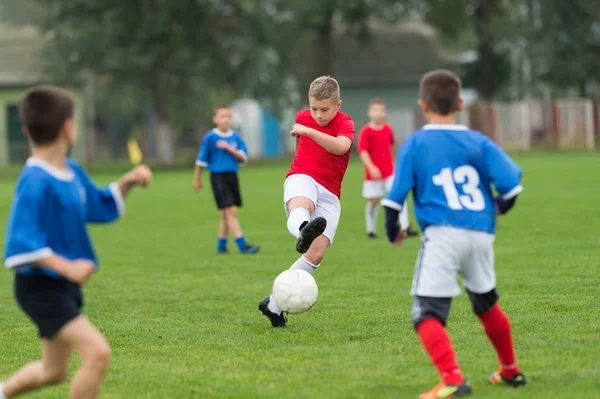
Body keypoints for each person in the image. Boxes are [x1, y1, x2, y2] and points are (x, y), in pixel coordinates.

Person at [382, 70, 527, 398]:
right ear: (460, 103)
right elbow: (512, 187)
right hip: (480, 233)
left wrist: (393, 232)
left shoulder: (416, 143)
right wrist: (497, 209)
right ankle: (510, 371)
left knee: (425, 313)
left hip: (443, 235)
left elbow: (393, 200)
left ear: (423, 105)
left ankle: (452, 379)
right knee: (486, 304)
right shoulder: (479, 140)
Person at [1, 85, 152, 399]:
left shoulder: (71, 172)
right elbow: (21, 242)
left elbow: (97, 203)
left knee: (53, 371)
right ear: (68, 127)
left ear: (28, 128)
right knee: (98, 354)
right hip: (40, 288)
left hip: (62, 287)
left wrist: (127, 181)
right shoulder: (34, 180)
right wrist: (67, 267)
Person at [258, 76, 354, 327]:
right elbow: (300, 145)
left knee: (317, 254)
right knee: (303, 205)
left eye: (325, 109)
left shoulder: (345, 123)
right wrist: (306, 130)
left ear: (338, 105)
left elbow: (341, 147)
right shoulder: (302, 118)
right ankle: (303, 230)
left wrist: (309, 130)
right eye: (314, 109)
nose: (319, 115)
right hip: (302, 176)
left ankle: (274, 305)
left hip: (331, 192)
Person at [194, 105, 260, 255]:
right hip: (218, 177)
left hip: (232, 177)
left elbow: (243, 157)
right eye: (222, 116)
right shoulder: (210, 137)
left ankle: (221, 247)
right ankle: (243, 246)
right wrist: (197, 180)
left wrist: (229, 148)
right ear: (215, 119)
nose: (225, 120)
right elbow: (201, 161)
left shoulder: (235, 137)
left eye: (228, 116)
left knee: (225, 214)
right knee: (231, 211)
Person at [357, 98, 418, 238]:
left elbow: (390, 148)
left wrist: (396, 166)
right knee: (373, 201)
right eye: (375, 111)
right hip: (373, 174)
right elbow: (363, 151)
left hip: (389, 172)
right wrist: (371, 167)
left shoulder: (388, 129)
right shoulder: (366, 131)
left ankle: (405, 227)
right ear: (369, 113)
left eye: (381, 110)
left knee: (398, 196)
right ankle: (370, 229)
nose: (378, 114)